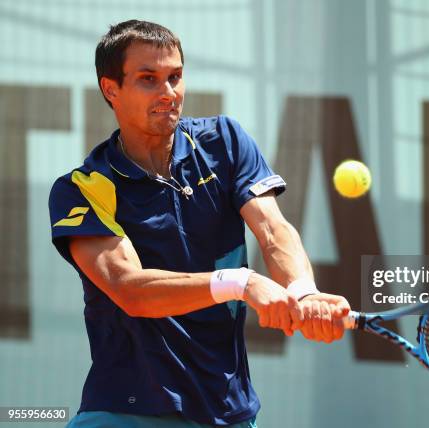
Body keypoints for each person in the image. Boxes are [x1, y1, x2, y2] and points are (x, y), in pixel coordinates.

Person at [48, 19, 350, 428]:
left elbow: (273, 229)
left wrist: (302, 291)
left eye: (175, 77)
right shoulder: (81, 188)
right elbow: (130, 289)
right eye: (148, 79)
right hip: (126, 410)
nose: (168, 93)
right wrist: (241, 282)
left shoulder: (225, 141)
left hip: (227, 410)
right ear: (110, 89)